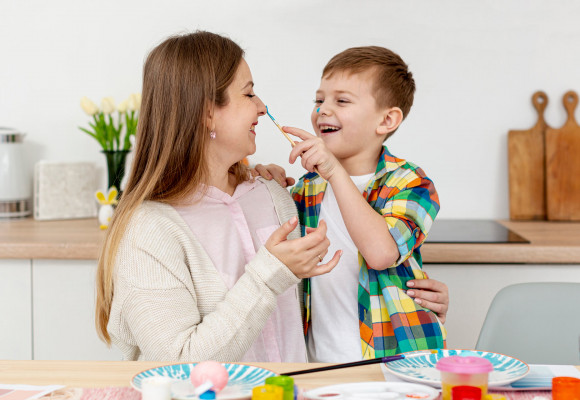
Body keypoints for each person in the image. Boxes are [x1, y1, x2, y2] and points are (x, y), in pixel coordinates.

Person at [95, 31, 341, 362]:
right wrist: (269, 274)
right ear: (207, 112)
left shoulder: (274, 197)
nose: (262, 107)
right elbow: (180, 362)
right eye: (249, 94)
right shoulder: (148, 230)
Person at [275, 46, 446, 362]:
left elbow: (381, 253)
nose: (323, 110)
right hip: (318, 363)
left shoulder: (411, 183)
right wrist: (265, 183)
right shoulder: (305, 190)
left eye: (341, 101)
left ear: (386, 120)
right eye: (319, 100)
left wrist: (335, 172)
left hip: (396, 362)